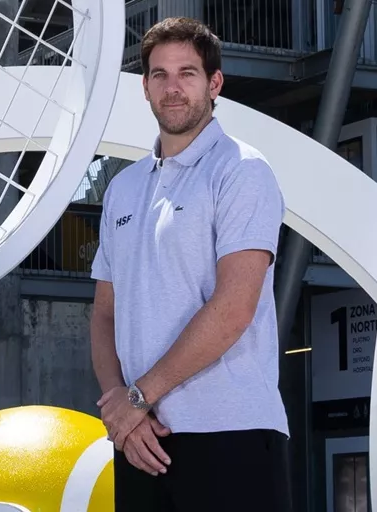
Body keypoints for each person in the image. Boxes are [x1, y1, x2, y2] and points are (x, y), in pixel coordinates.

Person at [88, 15, 293, 512]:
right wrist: (121, 410)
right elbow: (104, 314)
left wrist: (138, 398)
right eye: (159, 74)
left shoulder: (242, 170)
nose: (172, 88)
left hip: (231, 431)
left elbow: (234, 307)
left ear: (214, 83)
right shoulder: (123, 188)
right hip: (142, 441)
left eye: (187, 73)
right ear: (145, 87)